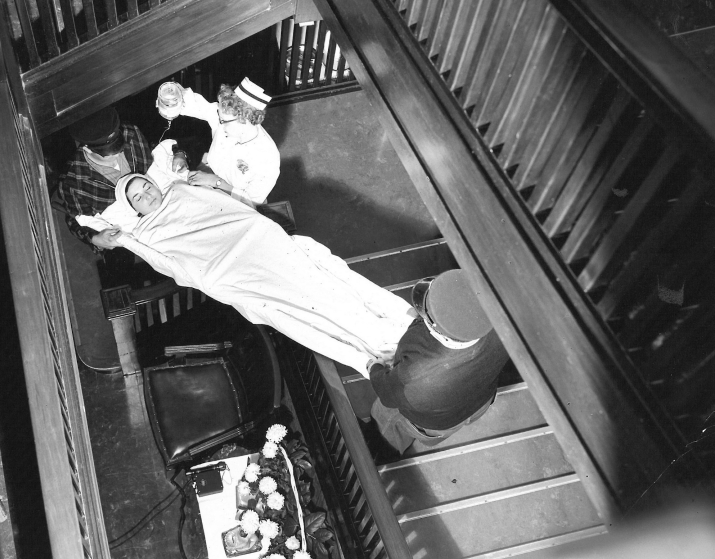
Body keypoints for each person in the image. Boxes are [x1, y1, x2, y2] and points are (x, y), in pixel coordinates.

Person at [96, 158, 414, 377]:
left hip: (260, 239)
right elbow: (172, 267)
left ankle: (389, 332)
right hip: (230, 271)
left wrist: (217, 183)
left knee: (323, 285)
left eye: (145, 186)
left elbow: (239, 208)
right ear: (133, 209)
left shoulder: (182, 189)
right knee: (298, 308)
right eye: (137, 197)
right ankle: (376, 350)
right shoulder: (146, 232)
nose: (146, 195)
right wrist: (121, 240)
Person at [368, 269, 510, 453]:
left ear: (439, 330)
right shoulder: (505, 322)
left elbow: (387, 395)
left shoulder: (415, 378)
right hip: (479, 402)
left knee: (385, 418)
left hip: (433, 421)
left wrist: (374, 368)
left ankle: (382, 450)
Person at [57, 104, 188, 274]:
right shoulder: (75, 180)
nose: (117, 158)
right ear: (86, 147)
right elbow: (74, 219)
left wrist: (179, 153)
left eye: (118, 148)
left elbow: (158, 146)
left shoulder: (130, 133)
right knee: (122, 264)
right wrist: (95, 239)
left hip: (165, 207)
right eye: (107, 155)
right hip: (131, 231)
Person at [168, 77, 280, 207]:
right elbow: (197, 105)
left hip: (237, 202)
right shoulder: (227, 118)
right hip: (210, 177)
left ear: (244, 120)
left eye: (223, 120)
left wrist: (216, 182)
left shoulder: (267, 159)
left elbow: (251, 203)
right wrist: (174, 94)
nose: (220, 123)